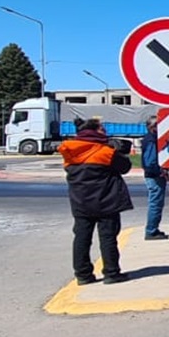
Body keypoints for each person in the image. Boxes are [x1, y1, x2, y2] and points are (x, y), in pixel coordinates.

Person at [60, 117, 134, 284]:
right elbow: (124, 167)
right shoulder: (105, 152)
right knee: (108, 237)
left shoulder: (69, 150)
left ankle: (82, 274)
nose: (106, 133)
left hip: (80, 201)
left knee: (81, 237)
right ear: (95, 131)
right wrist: (117, 151)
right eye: (102, 130)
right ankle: (111, 272)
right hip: (105, 200)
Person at [139, 116, 168, 240]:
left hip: (154, 174)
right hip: (154, 176)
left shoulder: (153, 139)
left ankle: (153, 229)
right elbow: (150, 161)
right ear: (152, 127)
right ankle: (151, 230)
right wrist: (160, 172)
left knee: (156, 203)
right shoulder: (151, 140)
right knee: (155, 203)